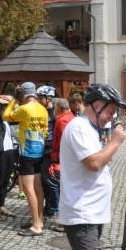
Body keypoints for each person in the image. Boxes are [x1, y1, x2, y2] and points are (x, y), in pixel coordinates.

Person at [58, 83, 126, 250]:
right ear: (96, 105)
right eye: (110, 110)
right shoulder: (78, 128)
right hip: (81, 212)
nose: (112, 116)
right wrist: (116, 142)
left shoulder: (88, 128)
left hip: (91, 211)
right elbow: (94, 162)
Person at [3, 82, 48, 237]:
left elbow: (5, 116)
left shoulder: (23, 109)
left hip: (27, 153)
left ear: (23, 95)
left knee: (29, 190)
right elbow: (45, 130)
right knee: (38, 188)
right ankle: (39, 219)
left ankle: (36, 226)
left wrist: (14, 99)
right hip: (39, 152)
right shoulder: (43, 109)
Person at [49, 98, 74, 233]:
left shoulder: (62, 120)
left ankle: (66, 221)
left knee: (63, 190)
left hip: (63, 159)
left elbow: (66, 140)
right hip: (66, 158)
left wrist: (56, 156)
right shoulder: (71, 116)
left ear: (57, 108)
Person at [36, 85, 59, 223]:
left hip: (50, 148)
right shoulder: (43, 110)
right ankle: (49, 205)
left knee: (51, 180)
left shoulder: (54, 112)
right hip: (42, 147)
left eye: (40, 98)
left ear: (47, 98)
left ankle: (55, 208)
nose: (38, 100)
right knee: (43, 180)